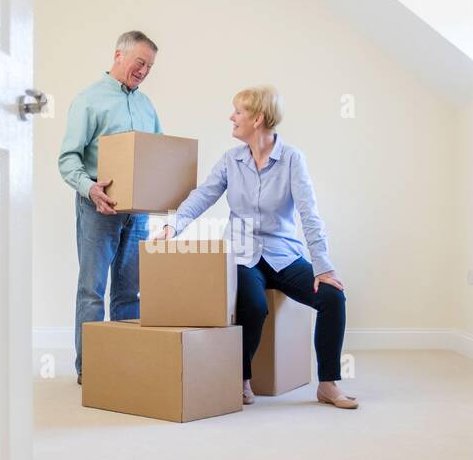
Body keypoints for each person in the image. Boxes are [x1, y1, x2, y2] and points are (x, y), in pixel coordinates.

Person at [155, 86, 357, 409]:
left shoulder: (292, 159)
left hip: (284, 255)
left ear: (258, 118)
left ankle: (328, 384)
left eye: (238, 112)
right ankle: (242, 378)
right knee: (252, 304)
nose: (231, 117)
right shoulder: (230, 160)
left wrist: (323, 266)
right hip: (243, 252)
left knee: (333, 297)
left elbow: (309, 214)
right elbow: (203, 196)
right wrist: (172, 225)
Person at [58, 31, 162, 384]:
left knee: (128, 291)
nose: (144, 71)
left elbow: (157, 154)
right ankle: (90, 368)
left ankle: (125, 361)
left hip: (138, 213)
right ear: (119, 55)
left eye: (150, 66)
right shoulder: (88, 100)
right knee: (92, 289)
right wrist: (90, 189)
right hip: (97, 209)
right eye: (140, 63)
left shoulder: (147, 106)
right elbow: (68, 158)